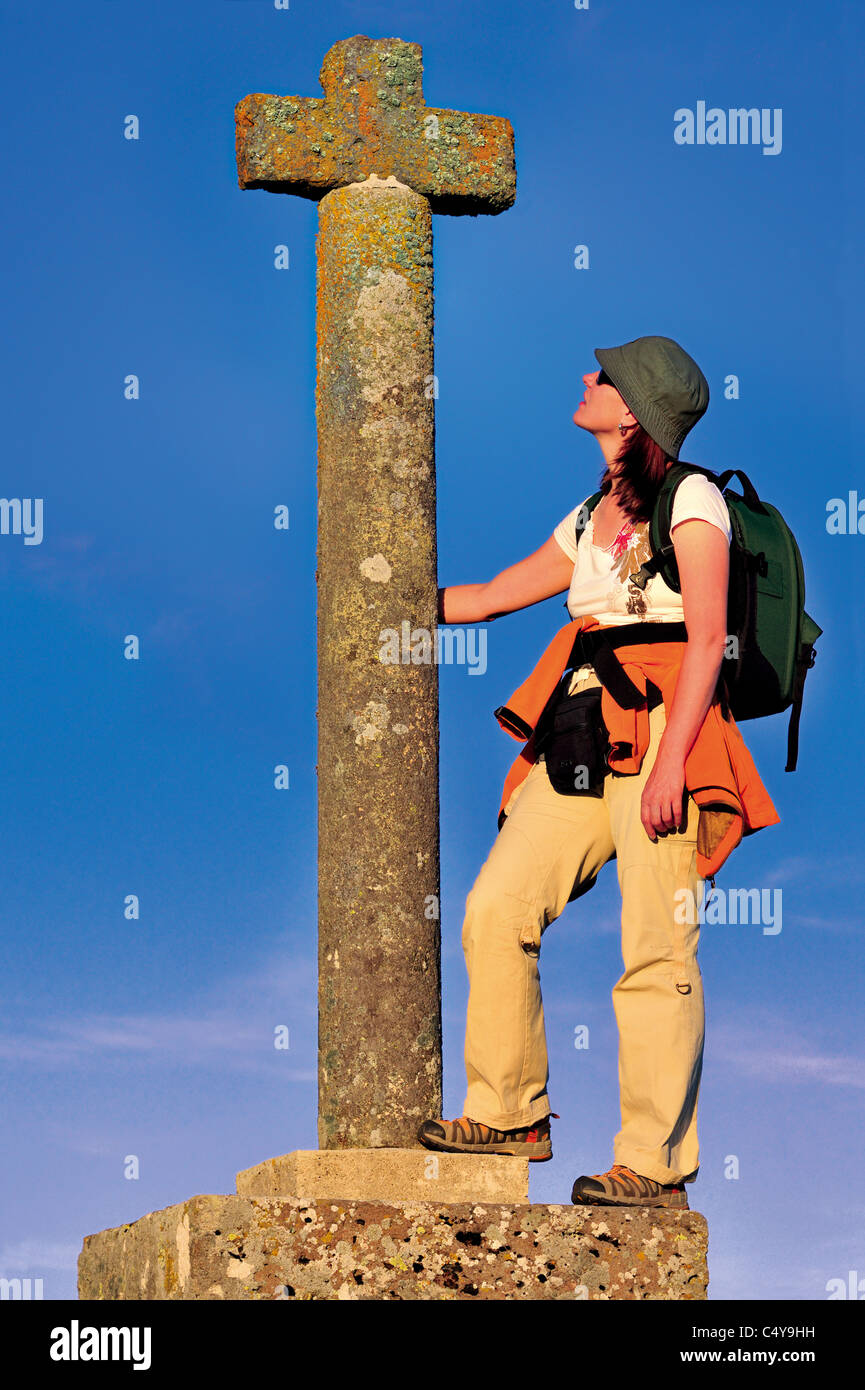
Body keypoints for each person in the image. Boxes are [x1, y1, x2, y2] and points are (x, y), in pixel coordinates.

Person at [418, 334, 741, 1210]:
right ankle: (512, 1112)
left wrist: (674, 762)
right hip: (582, 743)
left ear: (630, 408)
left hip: (667, 737)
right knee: (495, 909)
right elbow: (486, 598)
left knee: (655, 950)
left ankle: (653, 1162)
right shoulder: (591, 509)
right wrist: (376, 594)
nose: (585, 379)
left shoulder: (693, 499)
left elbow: (707, 639)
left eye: (601, 376)